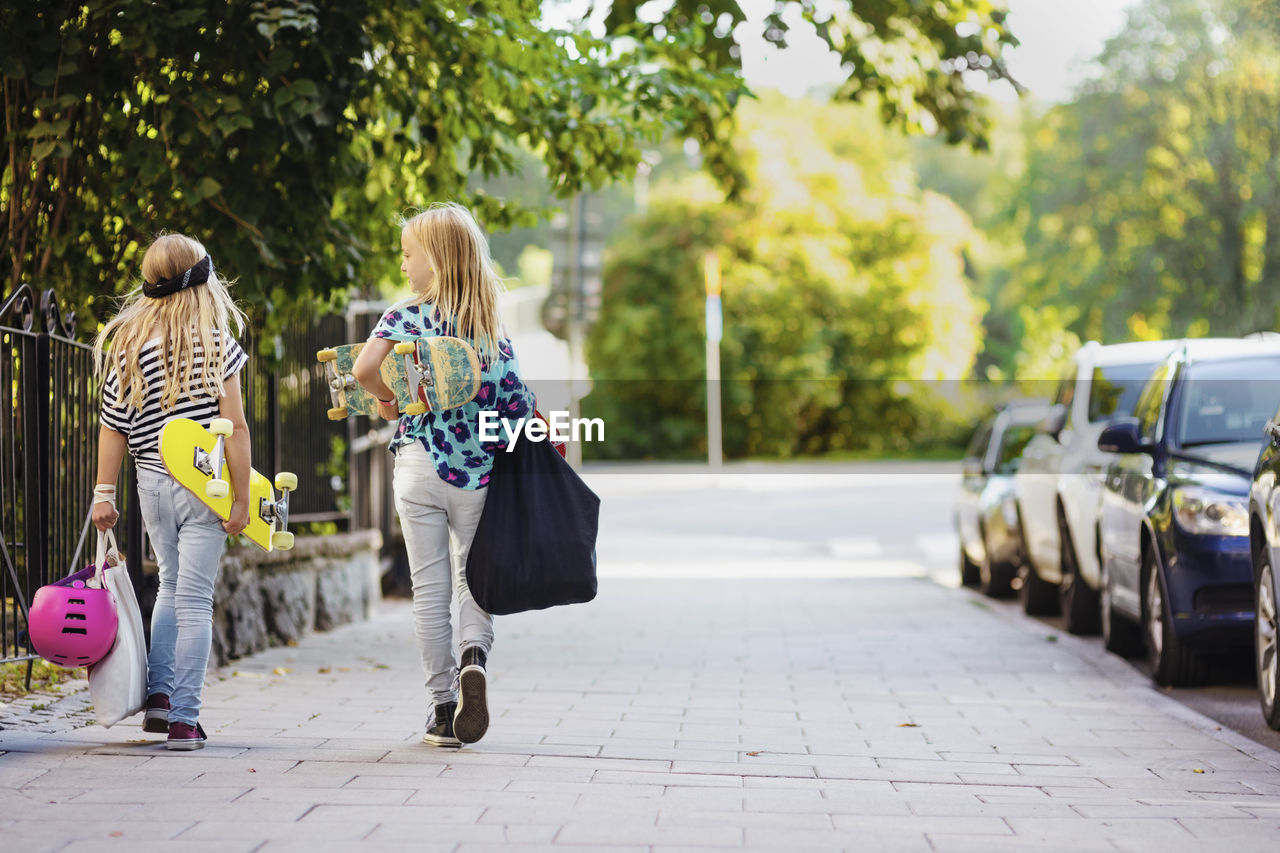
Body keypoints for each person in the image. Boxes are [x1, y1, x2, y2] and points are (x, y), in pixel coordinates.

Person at [354, 202, 533, 747]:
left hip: (419, 466)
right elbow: (515, 405)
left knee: (428, 588)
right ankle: (473, 656)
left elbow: (364, 371)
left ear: (436, 259)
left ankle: (441, 707)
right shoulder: (490, 329)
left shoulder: (406, 316)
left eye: (409, 255)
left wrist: (392, 400)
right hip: (477, 474)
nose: (404, 266)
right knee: (472, 578)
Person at [91, 232, 251, 751]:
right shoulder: (215, 345)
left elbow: (113, 426)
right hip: (204, 484)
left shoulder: (129, 346)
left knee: (169, 585)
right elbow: (237, 426)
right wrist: (243, 498)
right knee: (195, 599)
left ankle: (158, 701)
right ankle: (185, 718)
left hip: (152, 485)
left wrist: (103, 493)